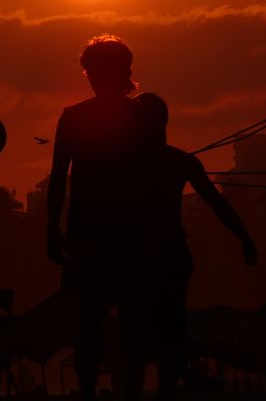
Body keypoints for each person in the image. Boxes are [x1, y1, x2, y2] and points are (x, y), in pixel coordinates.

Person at [134, 92, 257, 399]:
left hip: (154, 256)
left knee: (157, 329)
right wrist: (245, 238)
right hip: (156, 256)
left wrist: (244, 237)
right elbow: (217, 203)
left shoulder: (139, 162)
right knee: (165, 329)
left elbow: (217, 203)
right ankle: (169, 383)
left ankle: (166, 385)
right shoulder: (175, 161)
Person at [47, 35, 149, 401]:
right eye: (89, 70)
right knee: (113, 322)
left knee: (92, 323)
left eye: (95, 70)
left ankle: (99, 389)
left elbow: (60, 175)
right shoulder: (138, 118)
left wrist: (51, 230)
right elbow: (59, 175)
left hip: (103, 235)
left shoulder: (79, 118)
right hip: (114, 235)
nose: (92, 77)